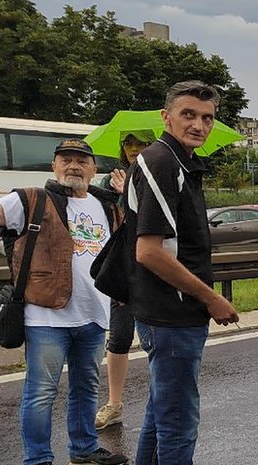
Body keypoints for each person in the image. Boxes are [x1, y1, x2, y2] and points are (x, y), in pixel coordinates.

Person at [122, 81, 247, 465]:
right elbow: (149, 251)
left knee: (161, 415)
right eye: (189, 114)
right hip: (170, 316)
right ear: (166, 117)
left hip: (173, 315)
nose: (199, 124)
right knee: (177, 428)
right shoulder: (159, 162)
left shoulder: (181, 164)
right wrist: (211, 299)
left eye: (207, 117)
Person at [0, 138, 128, 465]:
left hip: (94, 314)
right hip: (46, 316)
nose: (73, 166)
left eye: (82, 160)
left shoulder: (106, 204)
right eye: (65, 159)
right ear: (53, 166)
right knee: (41, 391)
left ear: (93, 169)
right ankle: (36, 461)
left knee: (86, 388)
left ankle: (83, 451)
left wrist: (128, 195)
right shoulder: (31, 199)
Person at [94, 130, 154, 430]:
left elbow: (157, 221)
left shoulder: (160, 176)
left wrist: (129, 191)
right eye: (129, 143)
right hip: (124, 268)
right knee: (118, 337)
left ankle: (160, 402)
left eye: (141, 143)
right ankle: (114, 404)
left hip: (156, 268)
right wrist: (120, 191)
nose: (134, 149)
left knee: (155, 338)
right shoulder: (109, 181)